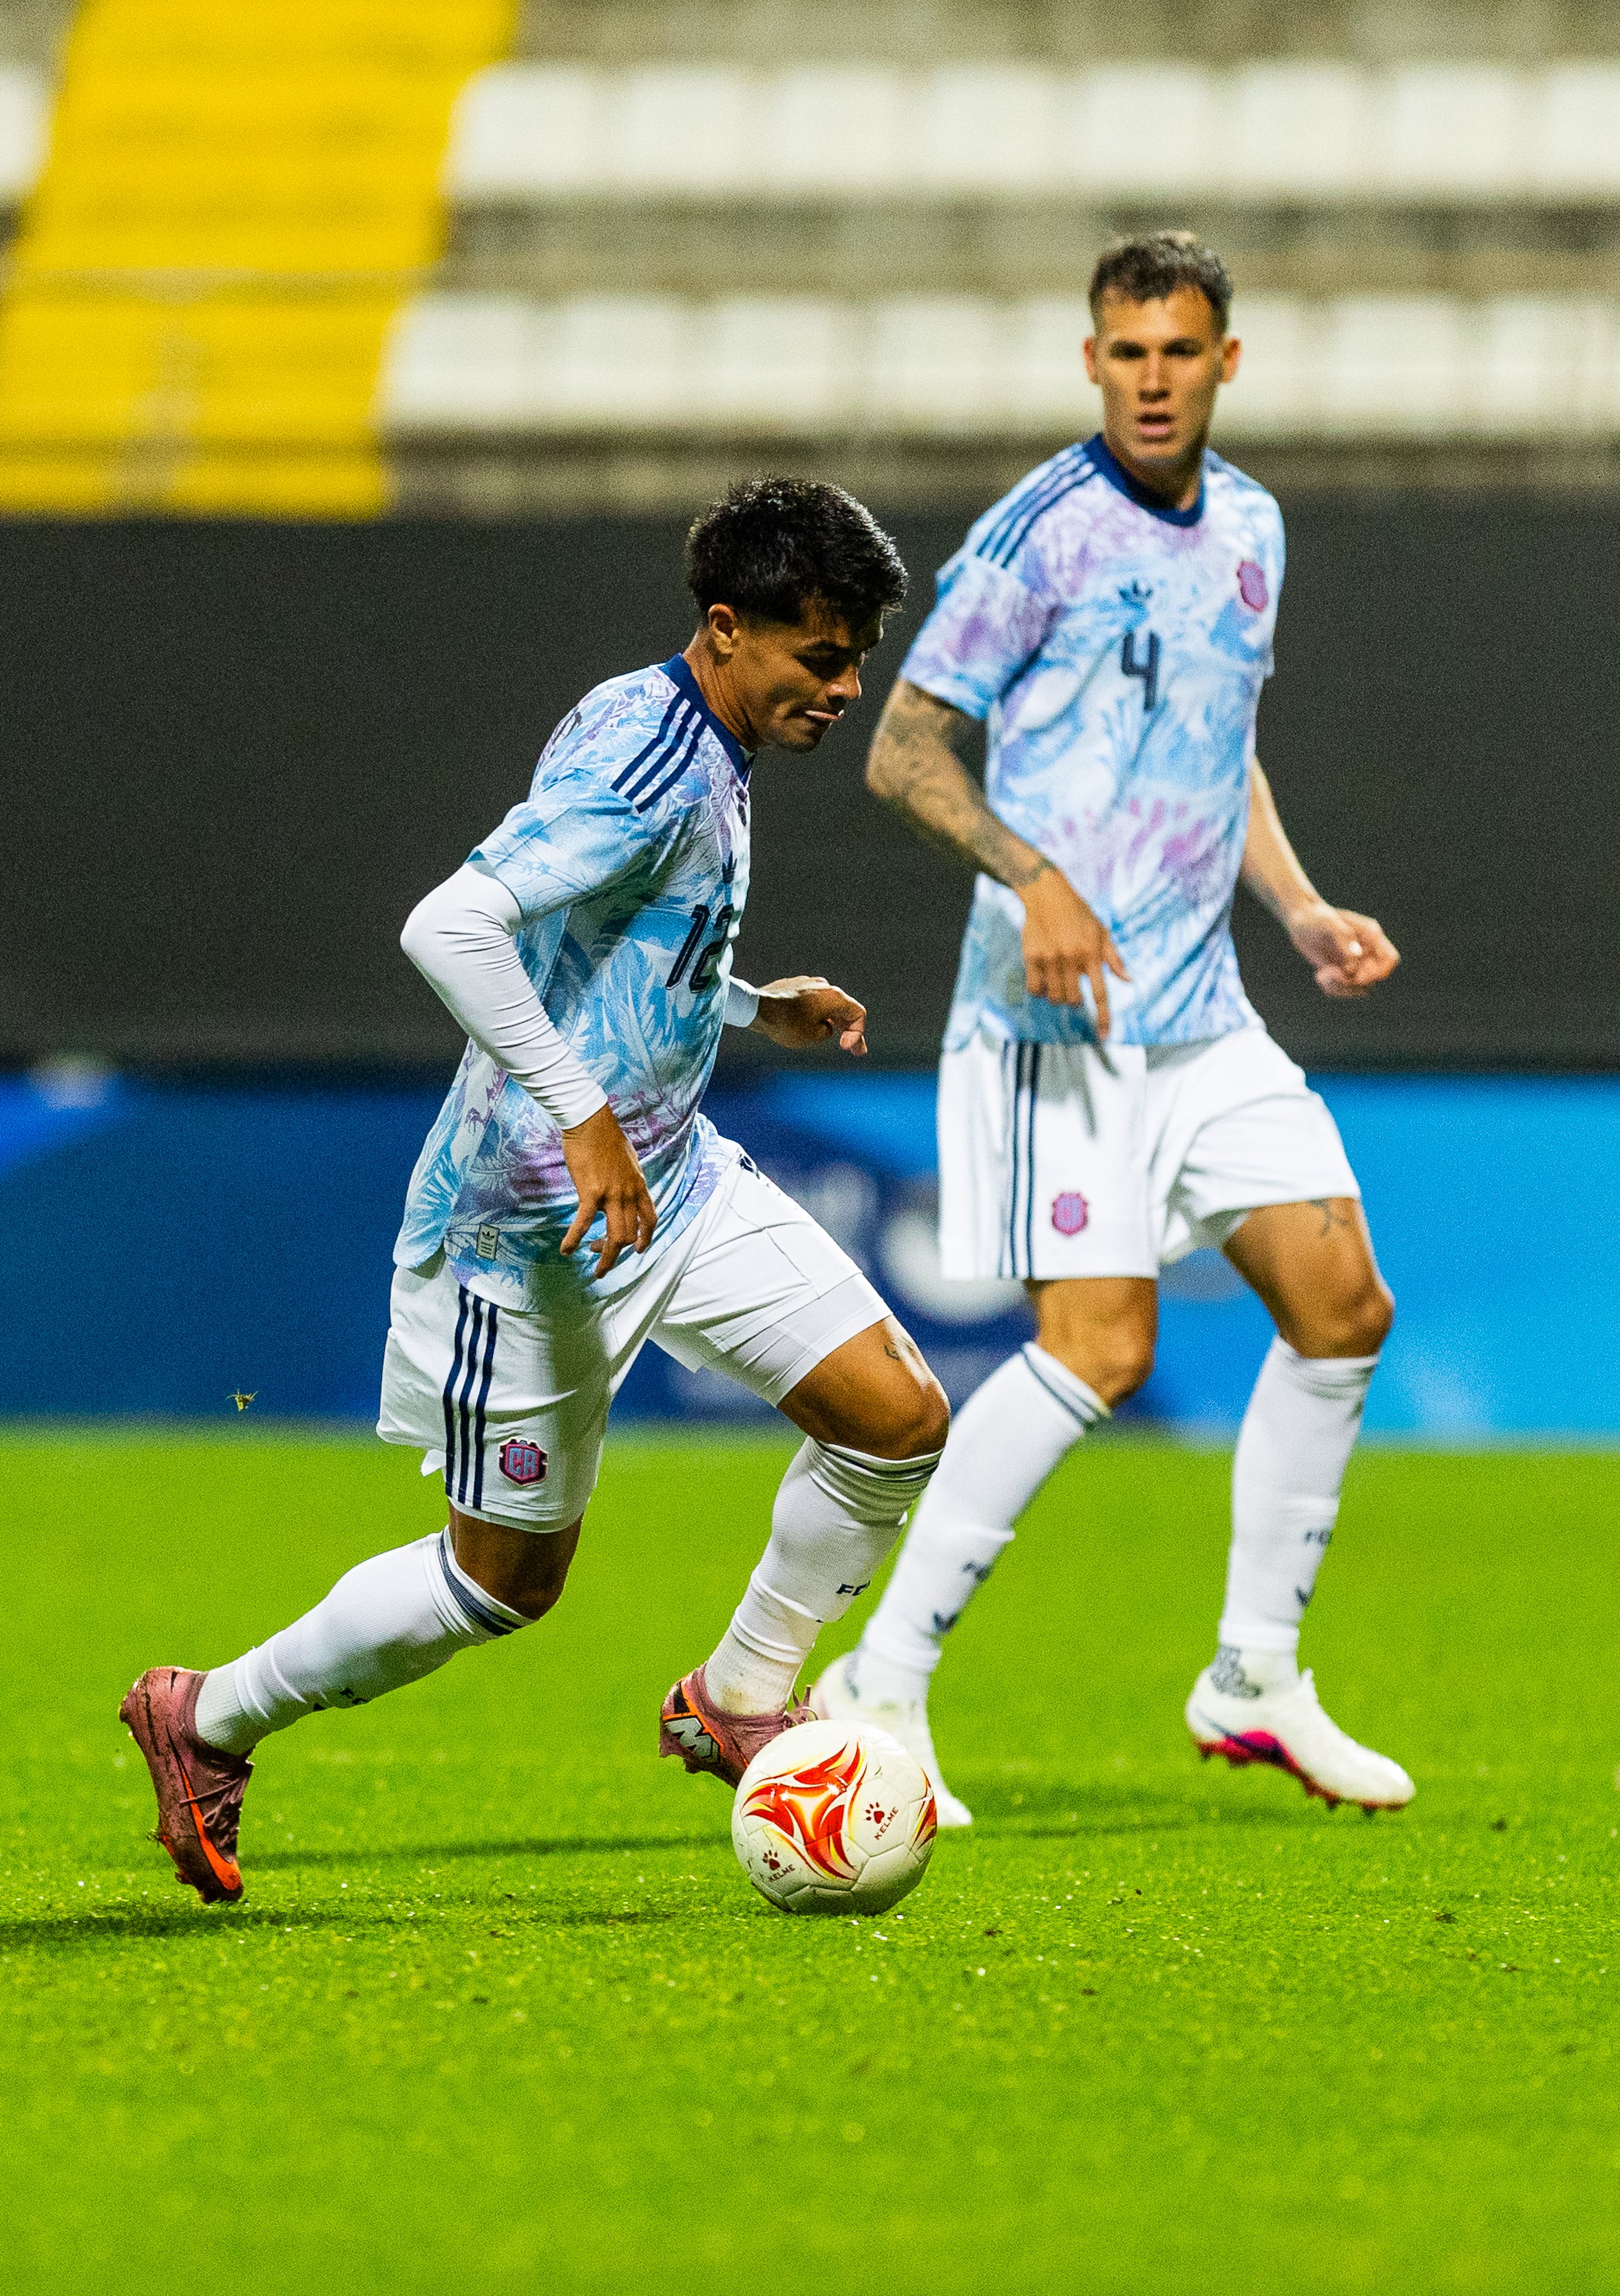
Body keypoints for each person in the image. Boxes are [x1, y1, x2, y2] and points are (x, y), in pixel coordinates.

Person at [121, 479, 953, 1906]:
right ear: (726, 627)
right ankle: (206, 1718)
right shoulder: (647, 754)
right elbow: (448, 925)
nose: (845, 688)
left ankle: (738, 1698)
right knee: (502, 1583)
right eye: (820, 656)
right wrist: (580, 1112)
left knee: (895, 1420)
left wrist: (746, 999)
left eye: (855, 657)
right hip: (529, 1230)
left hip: (669, 1179)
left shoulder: (687, 727)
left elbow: (603, 940)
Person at [818, 231, 1410, 1822]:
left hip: (1201, 1013)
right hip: (1051, 1017)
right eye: (1127, 352)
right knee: (1101, 1348)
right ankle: (880, 1679)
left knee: (1342, 1305)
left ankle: (1254, 1673)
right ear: (1092, 362)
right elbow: (903, 750)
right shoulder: (1040, 534)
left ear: (1227, 362)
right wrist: (1037, 878)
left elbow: (1219, 739)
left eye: (1180, 351)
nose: (1153, 379)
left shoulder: (1253, 528)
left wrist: (1294, 903)